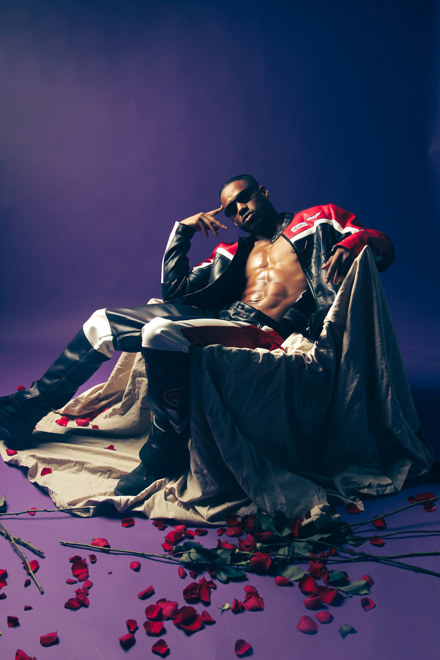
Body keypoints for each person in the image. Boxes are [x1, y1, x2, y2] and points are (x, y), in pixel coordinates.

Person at [0, 174, 395, 497]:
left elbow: (383, 247)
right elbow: (175, 292)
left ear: (263, 192)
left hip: (265, 332)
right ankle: (24, 410)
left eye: (244, 198)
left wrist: (351, 243)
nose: (240, 210)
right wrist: (182, 232)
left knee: (160, 332)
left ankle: (164, 452)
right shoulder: (232, 252)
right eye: (231, 209)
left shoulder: (319, 220)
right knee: (100, 322)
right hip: (222, 318)